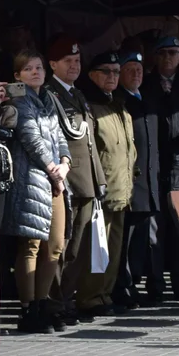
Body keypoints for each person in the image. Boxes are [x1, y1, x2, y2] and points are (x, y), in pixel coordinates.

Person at [2, 50, 70, 333]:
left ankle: (43, 303)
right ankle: (28, 308)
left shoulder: (50, 99)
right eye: (28, 69)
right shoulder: (18, 100)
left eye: (39, 68)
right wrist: (54, 169)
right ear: (17, 75)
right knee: (30, 246)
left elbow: (60, 135)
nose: (35, 72)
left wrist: (65, 163)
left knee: (55, 245)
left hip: (55, 179)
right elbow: (30, 137)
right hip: (31, 179)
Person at [45, 36, 106, 324]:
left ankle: (67, 299)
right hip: (69, 179)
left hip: (87, 179)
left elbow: (90, 141)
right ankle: (57, 301)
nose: (74, 66)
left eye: (77, 61)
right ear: (52, 64)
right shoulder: (50, 94)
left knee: (79, 248)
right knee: (64, 245)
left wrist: (99, 178)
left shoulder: (77, 94)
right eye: (67, 61)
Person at [76, 52, 136, 315]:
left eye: (116, 71)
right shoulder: (90, 105)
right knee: (95, 250)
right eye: (106, 72)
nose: (113, 76)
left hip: (122, 190)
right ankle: (90, 298)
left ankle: (104, 295)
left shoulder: (120, 105)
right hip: (102, 190)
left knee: (112, 248)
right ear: (93, 75)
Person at [114, 50, 163, 308]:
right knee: (128, 242)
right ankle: (124, 287)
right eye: (130, 69)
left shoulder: (148, 99)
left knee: (148, 240)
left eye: (140, 69)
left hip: (151, 183)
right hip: (133, 183)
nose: (136, 73)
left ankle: (148, 285)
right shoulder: (121, 101)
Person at [141, 36, 179, 299]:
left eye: (173, 53)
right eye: (163, 53)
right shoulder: (145, 85)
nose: (168, 58)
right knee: (154, 231)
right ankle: (155, 285)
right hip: (153, 166)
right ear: (155, 57)